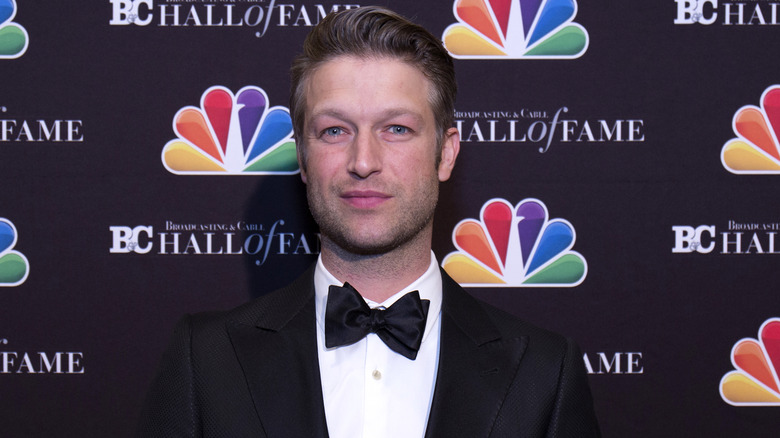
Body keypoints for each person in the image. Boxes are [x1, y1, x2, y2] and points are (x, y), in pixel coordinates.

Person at [137, 6, 600, 437]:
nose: (363, 161)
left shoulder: (543, 372)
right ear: (301, 154)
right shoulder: (207, 359)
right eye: (334, 130)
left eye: (396, 129)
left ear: (446, 152)